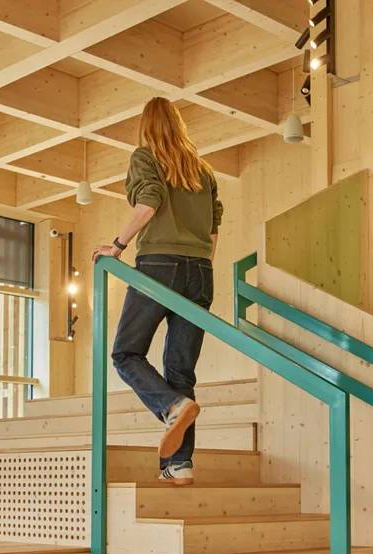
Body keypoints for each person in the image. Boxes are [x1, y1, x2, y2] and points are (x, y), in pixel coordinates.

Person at [93, 97, 223, 485]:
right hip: (201, 272)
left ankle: (172, 405)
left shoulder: (146, 157)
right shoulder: (203, 170)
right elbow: (213, 229)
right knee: (181, 369)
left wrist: (117, 247)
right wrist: (199, 263)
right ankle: (180, 465)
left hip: (159, 266)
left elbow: (149, 202)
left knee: (125, 353)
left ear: (146, 126)